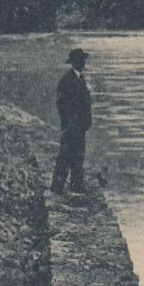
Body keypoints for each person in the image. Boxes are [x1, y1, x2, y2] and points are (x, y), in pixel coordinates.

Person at [52, 47, 93, 196]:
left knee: (79, 156)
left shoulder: (80, 78)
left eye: (83, 61)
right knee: (65, 155)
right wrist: (70, 123)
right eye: (80, 61)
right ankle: (57, 188)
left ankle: (77, 185)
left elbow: (85, 104)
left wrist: (86, 122)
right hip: (71, 126)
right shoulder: (67, 80)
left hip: (80, 126)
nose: (83, 63)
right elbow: (62, 104)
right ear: (74, 63)